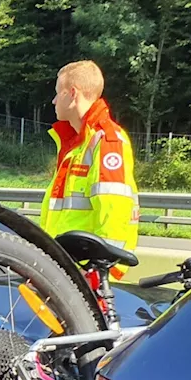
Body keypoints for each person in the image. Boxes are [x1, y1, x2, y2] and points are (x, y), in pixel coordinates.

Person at [41, 60, 140, 264]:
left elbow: (115, 209)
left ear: (72, 94)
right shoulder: (76, 143)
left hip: (88, 270)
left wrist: (101, 267)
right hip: (66, 264)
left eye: (58, 93)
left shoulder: (106, 140)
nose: (53, 101)